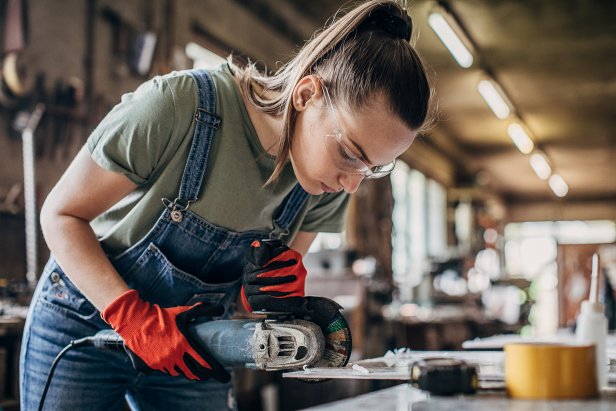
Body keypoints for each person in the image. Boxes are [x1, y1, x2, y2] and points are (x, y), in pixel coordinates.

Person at [19, 0, 431, 409]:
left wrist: (268, 299)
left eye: (373, 169)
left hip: (193, 342)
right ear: (307, 94)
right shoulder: (179, 107)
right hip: (85, 323)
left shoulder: (323, 187)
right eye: (350, 153)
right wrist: (133, 318)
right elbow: (60, 214)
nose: (352, 183)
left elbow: (247, 309)